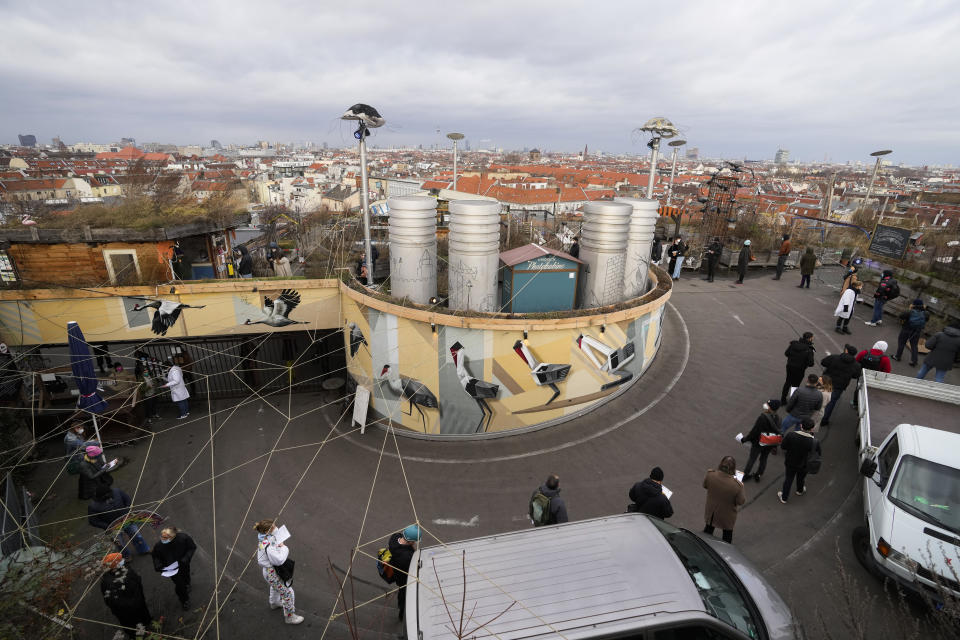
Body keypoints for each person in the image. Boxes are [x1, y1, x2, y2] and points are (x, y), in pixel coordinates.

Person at [254, 519, 304, 625]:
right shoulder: (268, 547)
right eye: (273, 527)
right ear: (268, 531)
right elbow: (279, 560)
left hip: (268, 572)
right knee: (288, 592)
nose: (276, 527)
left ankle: (274, 602)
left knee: (275, 587)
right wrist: (283, 547)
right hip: (273, 573)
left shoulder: (263, 539)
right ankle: (290, 617)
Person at [100, 552, 152, 639]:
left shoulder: (122, 569)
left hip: (137, 603)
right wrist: (133, 603)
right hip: (128, 610)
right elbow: (113, 601)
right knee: (133, 626)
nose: (123, 560)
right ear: (115, 564)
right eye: (120, 560)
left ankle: (145, 623)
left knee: (142, 617)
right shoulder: (108, 582)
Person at [88, 486, 150, 559]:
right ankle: (127, 556)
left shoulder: (117, 491)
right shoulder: (93, 506)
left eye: (109, 495)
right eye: (105, 496)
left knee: (136, 534)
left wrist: (127, 509)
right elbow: (93, 521)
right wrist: (107, 526)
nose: (108, 497)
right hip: (112, 527)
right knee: (119, 543)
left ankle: (144, 550)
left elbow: (127, 500)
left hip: (126, 519)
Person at [702, 456, 745, 543]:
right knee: (727, 536)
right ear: (733, 468)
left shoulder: (711, 474)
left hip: (712, 511)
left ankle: (703, 544)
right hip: (727, 516)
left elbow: (705, 485)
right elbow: (740, 501)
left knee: (708, 530)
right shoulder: (737, 485)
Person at [152, 526, 196, 610]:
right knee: (179, 585)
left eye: (165, 537)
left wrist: (186, 558)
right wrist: (158, 565)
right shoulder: (159, 545)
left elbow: (191, 547)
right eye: (162, 536)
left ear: (172, 537)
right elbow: (155, 556)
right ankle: (184, 600)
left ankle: (187, 584)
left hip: (183, 564)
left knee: (186, 575)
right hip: (171, 570)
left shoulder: (183, 538)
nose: (162, 539)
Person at [778, 418, 821, 504]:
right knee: (801, 478)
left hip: (791, 462)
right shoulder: (814, 441)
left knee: (789, 479)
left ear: (801, 426)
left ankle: (784, 497)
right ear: (812, 429)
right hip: (805, 464)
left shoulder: (791, 435)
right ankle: (799, 490)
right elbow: (818, 453)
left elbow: (783, 446)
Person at [820, 345, 862, 426]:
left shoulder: (834, 357)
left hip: (826, 380)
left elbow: (823, 362)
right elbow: (856, 375)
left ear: (846, 351)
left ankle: (812, 414)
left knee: (820, 397)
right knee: (831, 402)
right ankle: (824, 420)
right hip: (840, 386)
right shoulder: (856, 365)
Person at [742, 400, 781, 482]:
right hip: (770, 443)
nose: (766, 405)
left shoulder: (763, 417)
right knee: (764, 459)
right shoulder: (779, 418)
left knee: (752, 459)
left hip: (759, 442)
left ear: (770, 408)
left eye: (768, 404)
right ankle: (759, 474)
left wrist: (745, 439)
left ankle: (745, 475)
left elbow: (754, 431)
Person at [388, 524, 421, 620]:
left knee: (402, 593)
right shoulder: (407, 557)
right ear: (411, 541)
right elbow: (414, 566)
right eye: (414, 541)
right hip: (404, 578)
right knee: (404, 594)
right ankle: (402, 613)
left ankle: (401, 610)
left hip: (396, 570)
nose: (415, 543)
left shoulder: (394, 537)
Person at [781, 332, 815, 405]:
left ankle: (783, 399)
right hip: (800, 369)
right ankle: (792, 401)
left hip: (790, 366)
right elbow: (811, 363)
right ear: (809, 338)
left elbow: (786, 353)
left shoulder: (794, 344)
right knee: (795, 385)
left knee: (787, 382)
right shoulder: (809, 349)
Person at [893, 299, 929, 366]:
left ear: (913, 304)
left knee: (901, 343)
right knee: (914, 346)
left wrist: (910, 309)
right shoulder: (926, 313)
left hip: (906, 329)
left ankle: (897, 356)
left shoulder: (909, 311)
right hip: (917, 331)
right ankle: (914, 361)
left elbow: (901, 316)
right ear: (922, 305)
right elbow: (926, 320)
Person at [134, 358, 160, 424]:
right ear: (142, 373)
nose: (146, 372)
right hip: (147, 395)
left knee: (154, 405)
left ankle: (155, 414)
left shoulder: (150, 376)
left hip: (153, 393)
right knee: (148, 407)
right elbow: (141, 389)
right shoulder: (141, 379)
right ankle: (149, 418)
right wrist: (148, 387)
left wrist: (155, 385)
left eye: (147, 371)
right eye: (145, 372)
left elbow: (154, 382)